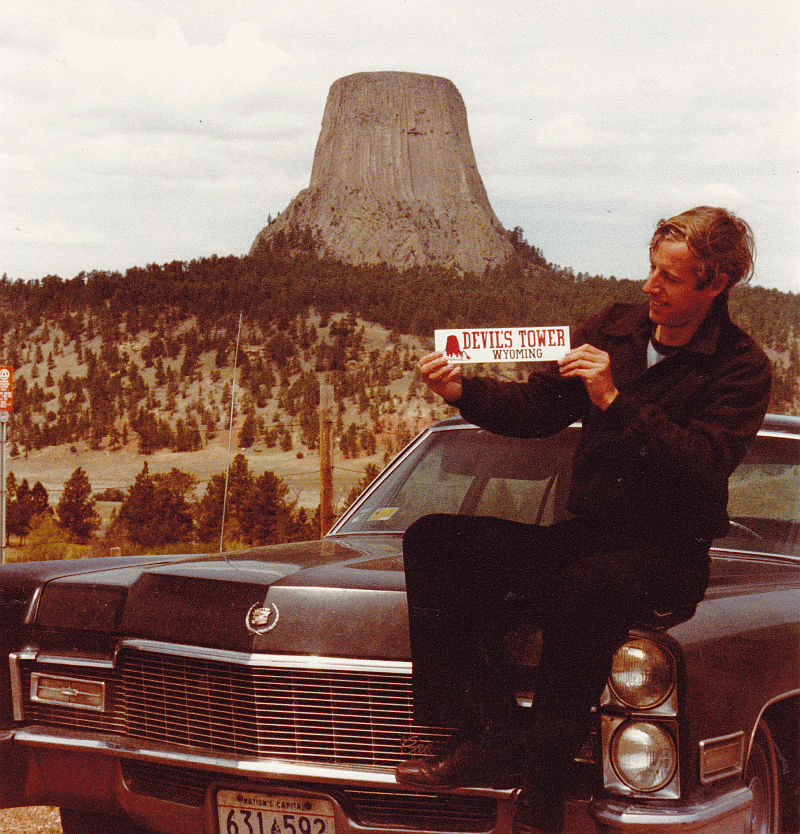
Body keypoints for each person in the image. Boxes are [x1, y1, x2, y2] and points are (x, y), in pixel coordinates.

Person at [395, 207, 772, 833]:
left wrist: (614, 401)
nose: (650, 286)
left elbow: (702, 463)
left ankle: (541, 793)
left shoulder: (740, 366)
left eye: (670, 277)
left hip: (666, 555)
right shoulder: (614, 328)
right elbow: (539, 409)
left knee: (587, 585)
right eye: (651, 268)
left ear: (716, 284)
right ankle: (489, 734)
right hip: (586, 535)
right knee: (437, 541)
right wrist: (464, 392)